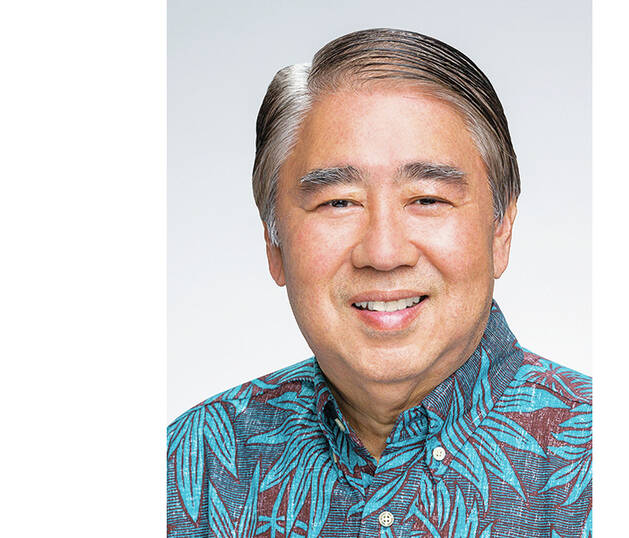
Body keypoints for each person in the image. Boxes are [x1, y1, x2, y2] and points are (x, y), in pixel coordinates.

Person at [167, 28, 591, 537]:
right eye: (339, 202)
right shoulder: (193, 467)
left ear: (500, 229)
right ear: (274, 244)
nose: (384, 253)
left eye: (427, 199)